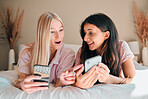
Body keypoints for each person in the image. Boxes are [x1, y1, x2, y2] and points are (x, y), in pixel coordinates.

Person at [15, 12, 81, 94]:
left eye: (61, 30)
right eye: (52, 32)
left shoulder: (68, 53)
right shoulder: (27, 51)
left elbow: (59, 82)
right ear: (42, 34)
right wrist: (22, 85)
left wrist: (63, 81)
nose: (59, 36)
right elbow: (21, 79)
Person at [74, 13, 136, 89]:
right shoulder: (82, 51)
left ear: (106, 35)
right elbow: (73, 81)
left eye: (91, 33)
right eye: (84, 33)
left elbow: (132, 80)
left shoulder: (121, 47)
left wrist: (108, 79)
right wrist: (77, 83)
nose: (85, 38)